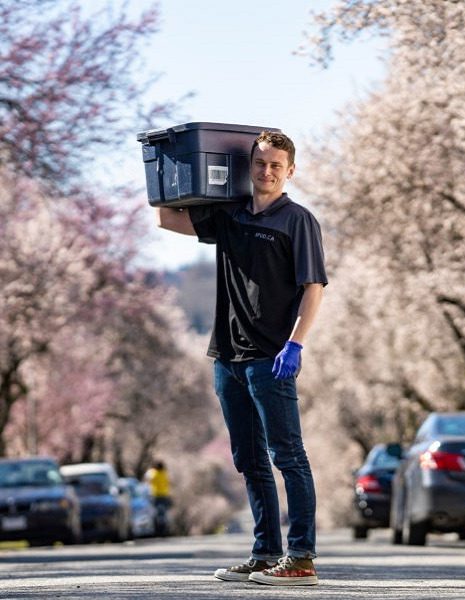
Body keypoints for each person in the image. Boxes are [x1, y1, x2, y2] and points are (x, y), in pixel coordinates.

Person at [155, 131, 327, 586]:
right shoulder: (229, 215)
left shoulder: (299, 220)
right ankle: (265, 552)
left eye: (276, 165)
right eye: (259, 163)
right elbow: (167, 218)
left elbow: (314, 287)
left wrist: (296, 343)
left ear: (290, 170)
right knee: (248, 460)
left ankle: (302, 557)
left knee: (287, 456)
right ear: (247, 168)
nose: (266, 172)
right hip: (226, 357)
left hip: (271, 357)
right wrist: (168, 165)